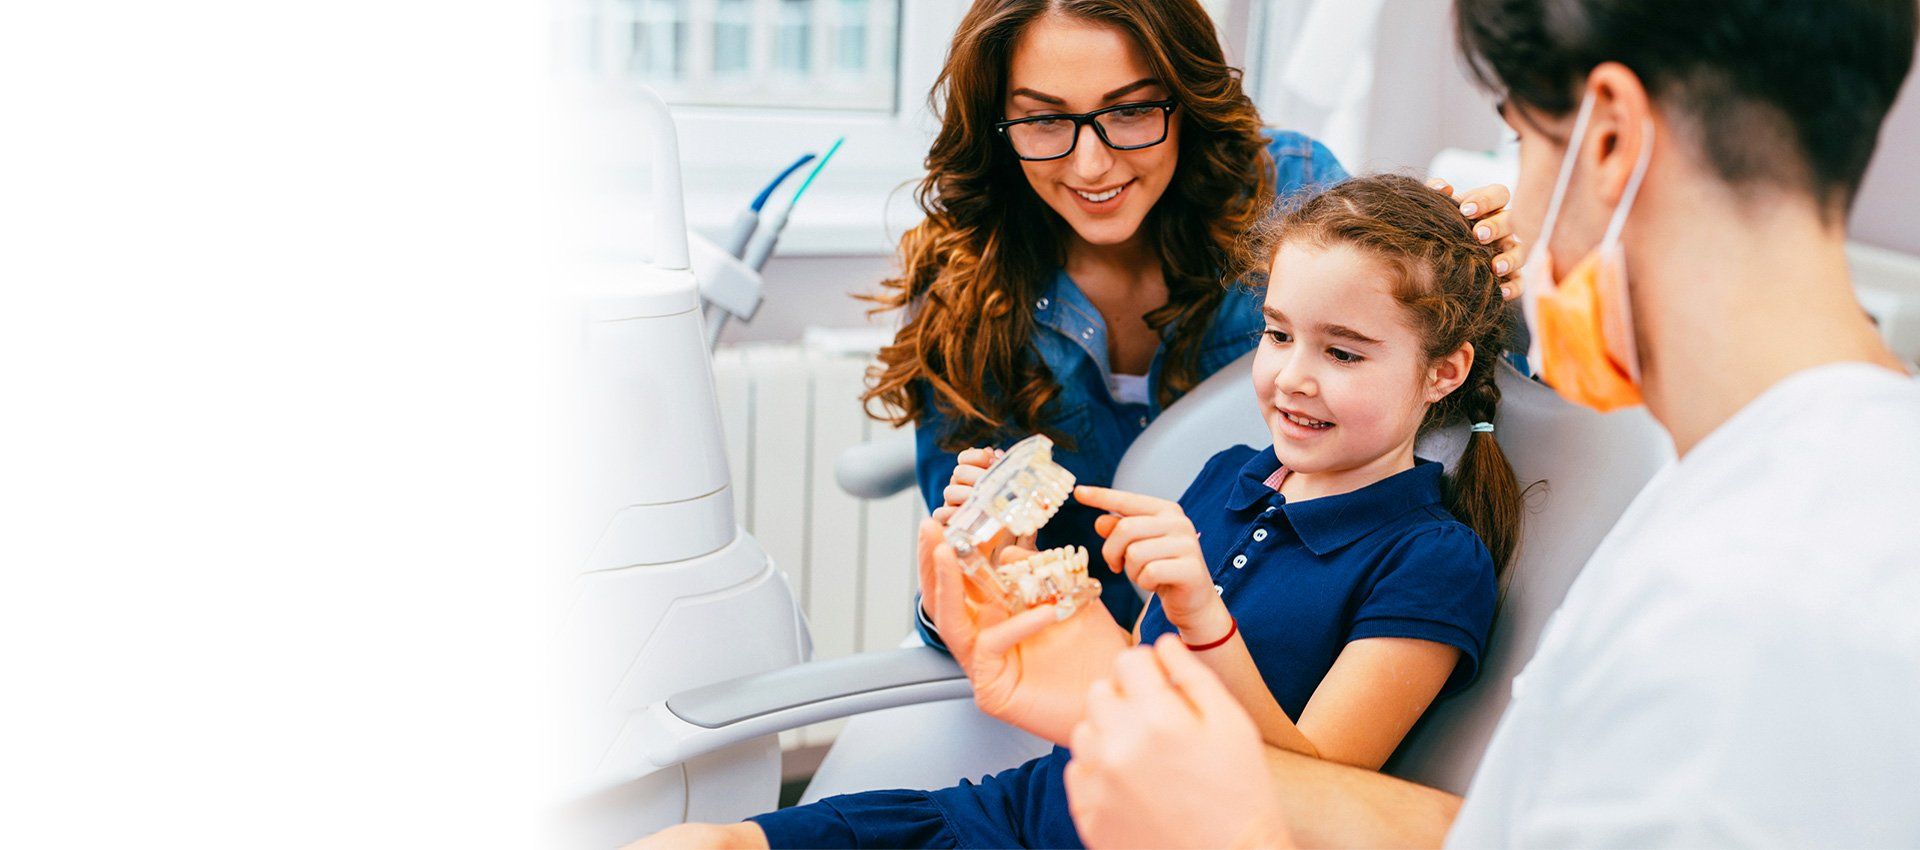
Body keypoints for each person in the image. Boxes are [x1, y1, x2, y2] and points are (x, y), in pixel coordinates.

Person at [1059, 1, 1920, 847]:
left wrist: (1235, 833)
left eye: (1520, 139)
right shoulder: (1791, 490)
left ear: (1609, 141)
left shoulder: (1745, 616)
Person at [633, 174, 1521, 849]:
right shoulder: (1230, 477)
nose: (1293, 376)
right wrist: (1019, 567)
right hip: (1029, 809)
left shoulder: (1433, 560)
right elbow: (1122, 673)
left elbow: (1313, 796)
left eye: (1345, 352)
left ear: (1443, 372)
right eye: (1279, 333)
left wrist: (1205, 620)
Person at [855, 0, 1519, 639]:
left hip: (1265, 649)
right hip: (1072, 648)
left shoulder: (1289, 190)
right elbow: (969, 596)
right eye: (1044, 121)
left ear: (1185, 91)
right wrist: (988, 568)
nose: (1092, 165)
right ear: (997, 122)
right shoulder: (963, 282)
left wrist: (1481, 279)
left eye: (1134, 109)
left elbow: (1437, 383)